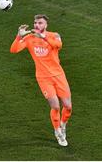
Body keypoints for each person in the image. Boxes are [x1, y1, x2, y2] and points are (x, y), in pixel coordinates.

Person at [10, 14, 72, 147]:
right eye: (35, 23)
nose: (37, 25)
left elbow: (58, 45)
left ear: (46, 25)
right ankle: (58, 132)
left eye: (40, 23)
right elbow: (14, 50)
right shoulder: (29, 38)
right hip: (43, 78)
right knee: (55, 106)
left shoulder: (54, 35)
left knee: (68, 106)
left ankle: (63, 125)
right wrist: (19, 36)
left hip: (59, 76)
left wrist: (43, 37)